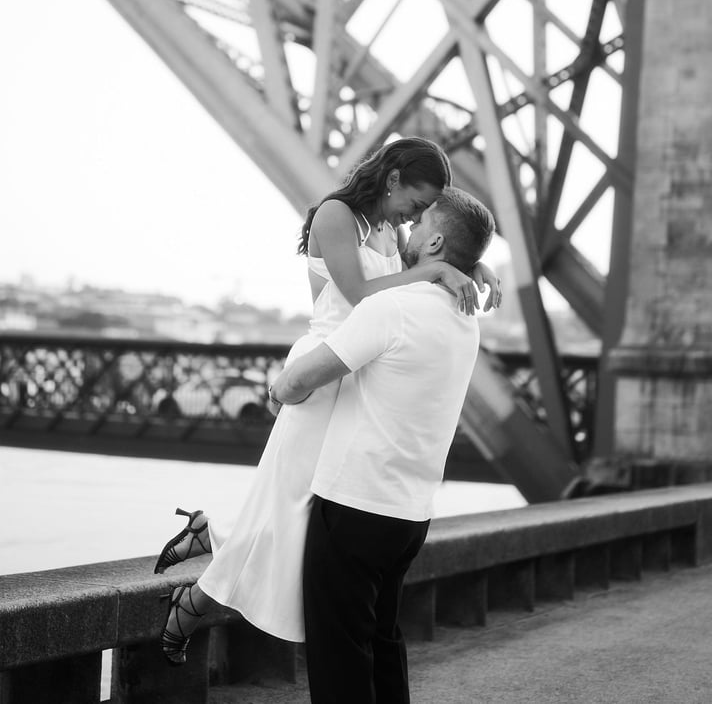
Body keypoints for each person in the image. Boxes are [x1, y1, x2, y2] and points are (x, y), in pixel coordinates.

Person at [155, 138, 501, 662]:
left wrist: (472, 265)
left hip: (358, 375)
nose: (416, 217)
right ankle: (193, 599)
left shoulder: (389, 227)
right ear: (393, 180)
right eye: (417, 202)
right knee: (290, 506)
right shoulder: (336, 216)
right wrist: (436, 271)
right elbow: (361, 294)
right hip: (322, 369)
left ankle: (206, 544)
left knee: (299, 512)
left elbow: (424, 256)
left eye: (425, 211)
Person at [271, 186, 496, 704]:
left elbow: (301, 379)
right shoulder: (464, 319)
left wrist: (278, 389)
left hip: (354, 504)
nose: (407, 230)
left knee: (340, 658)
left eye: (420, 224)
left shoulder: (392, 308)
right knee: (383, 641)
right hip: (411, 513)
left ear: (435, 242)